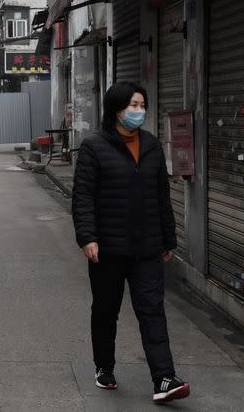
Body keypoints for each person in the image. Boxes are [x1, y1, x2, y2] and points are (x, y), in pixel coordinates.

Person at [71, 82, 190, 404]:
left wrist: (168, 237)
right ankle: (104, 366)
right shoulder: (94, 146)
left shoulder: (151, 145)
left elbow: (161, 197)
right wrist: (87, 236)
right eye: (132, 106)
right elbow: (83, 196)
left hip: (147, 247)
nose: (138, 111)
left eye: (141, 105)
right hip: (107, 248)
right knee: (107, 310)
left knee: (152, 310)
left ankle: (164, 378)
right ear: (116, 110)